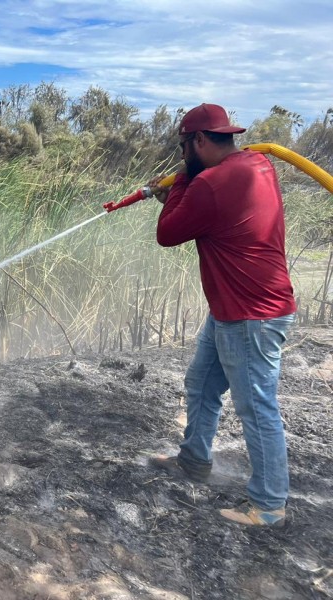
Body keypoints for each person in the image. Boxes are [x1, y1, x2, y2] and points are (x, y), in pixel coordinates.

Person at [147, 103, 296, 527]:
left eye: (183, 148)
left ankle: (268, 505)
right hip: (235, 309)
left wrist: (174, 189)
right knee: (201, 383)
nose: (181, 158)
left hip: (251, 315)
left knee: (257, 407)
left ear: (197, 141)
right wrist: (185, 183)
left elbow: (167, 234)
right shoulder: (260, 165)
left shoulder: (208, 185)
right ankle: (194, 460)